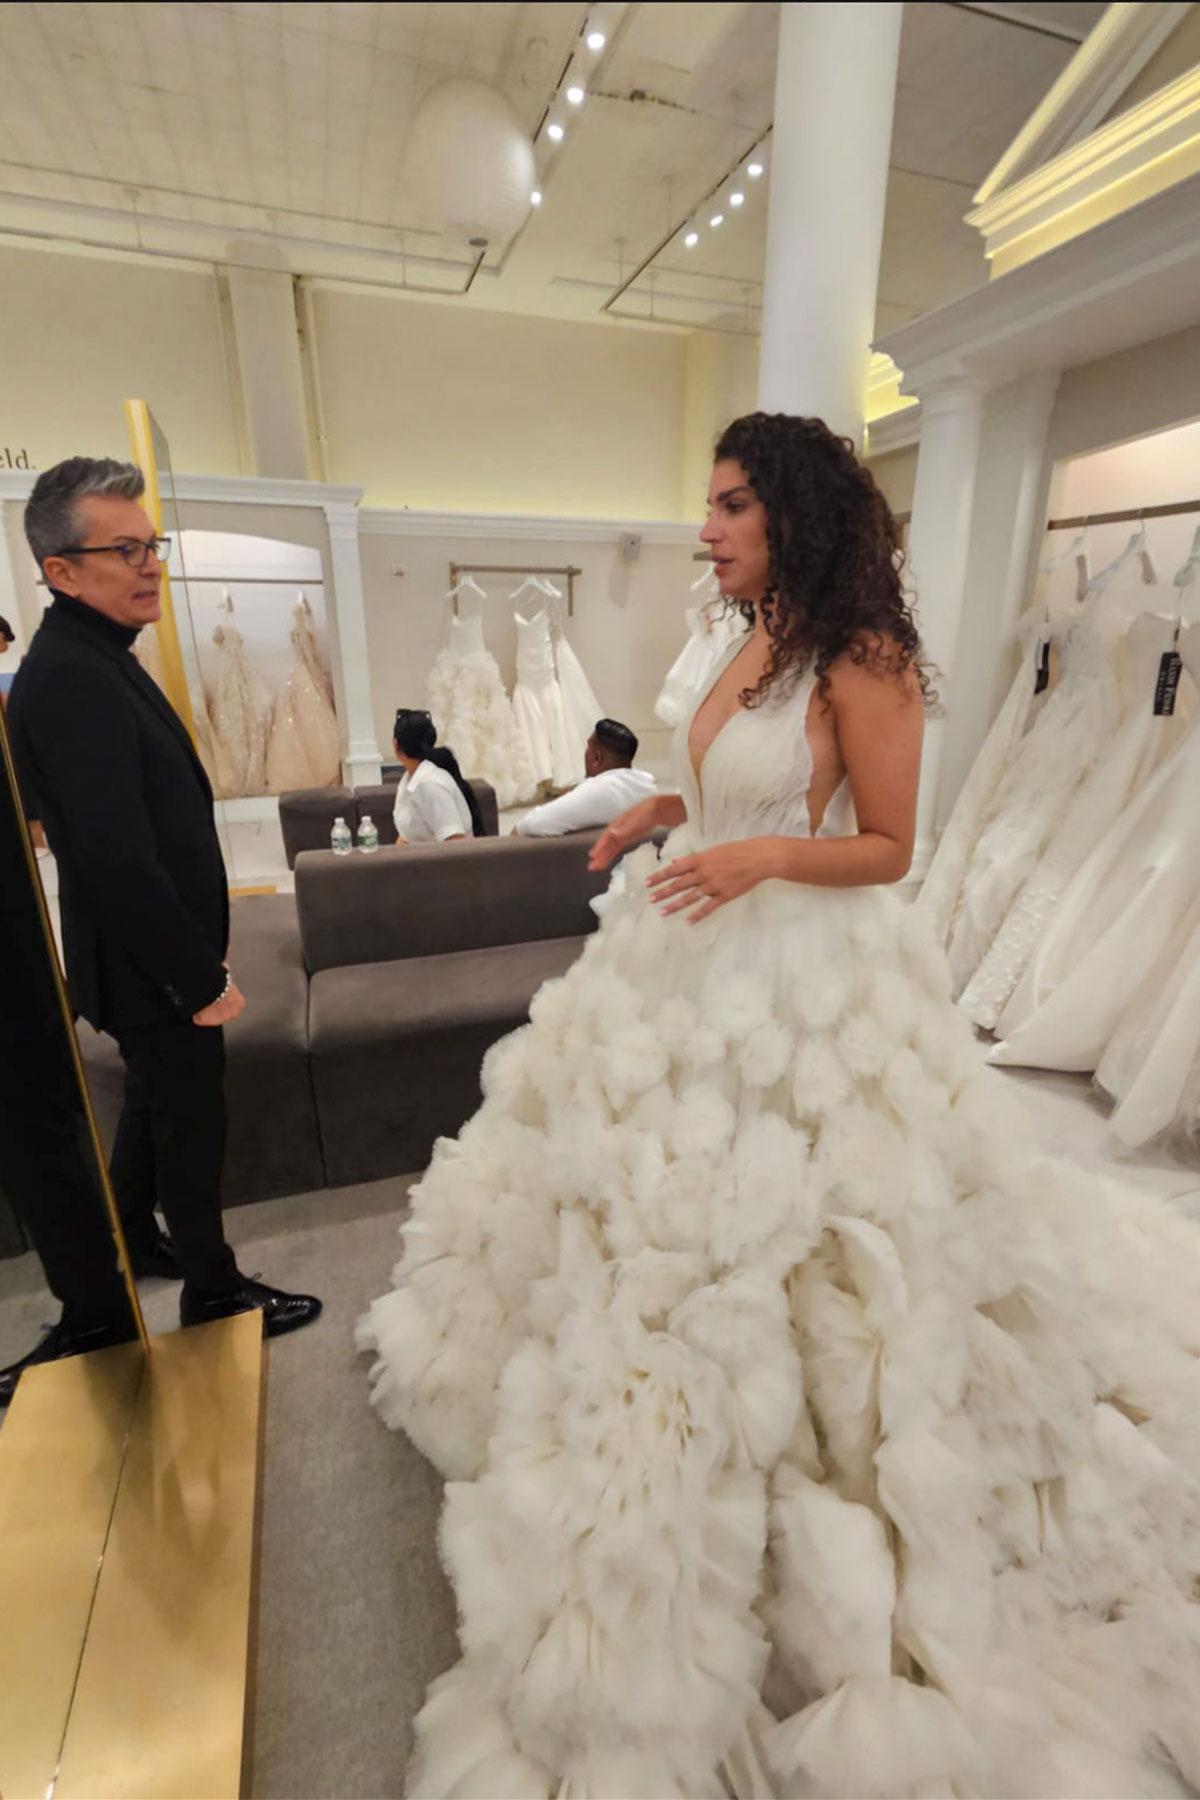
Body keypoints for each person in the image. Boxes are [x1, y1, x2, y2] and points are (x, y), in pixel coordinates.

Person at [358, 414, 1200, 1799]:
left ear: (797, 513)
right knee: (629, 1207)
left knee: (802, 1246)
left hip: (807, 980)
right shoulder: (753, 633)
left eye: (734, 505)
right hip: (687, 953)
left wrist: (755, 856)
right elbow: (725, 775)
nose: (708, 528)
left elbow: (887, 847)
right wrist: (660, 819)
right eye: (710, 504)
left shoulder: (868, 658)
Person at [7, 456, 320, 1346]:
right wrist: (195, 976)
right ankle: (213, 1290)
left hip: (145, 953)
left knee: (154, 1104)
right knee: (191, 1121)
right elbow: (111, 856)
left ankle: (136, 1234)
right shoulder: (70, 674)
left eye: (153, 545)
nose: (150, 564)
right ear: (60, 571)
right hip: (150, 961)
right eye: (125, 548)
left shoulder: (95, 652)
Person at [513, 717, 658, 836]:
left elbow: (534, 824)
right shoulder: (648, 788)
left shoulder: (600, 792)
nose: (585, 752)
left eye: (588, 748)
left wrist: (516, 830)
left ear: (597, 757)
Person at [391, 707, 483, 843]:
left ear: (396, 745)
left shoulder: (431, 786)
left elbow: (456, 844)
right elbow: (406, 836)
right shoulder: (409, 780)